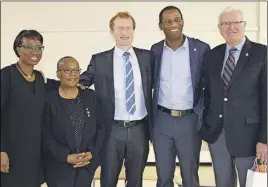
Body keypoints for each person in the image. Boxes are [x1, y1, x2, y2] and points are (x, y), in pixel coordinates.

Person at [79, 11, 152, 187]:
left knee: (136, 181)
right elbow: (79, 83)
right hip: (111, 130)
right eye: (120, 28)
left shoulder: (148, 57)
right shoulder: (99, 60)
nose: (124, 32)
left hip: (139, 129)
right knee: (108, 179)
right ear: (112, 31)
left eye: (128, 28)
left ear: (134, 30)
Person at [199, 7, 267, 187]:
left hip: (249, 136)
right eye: (226, 23)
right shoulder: (212, 55)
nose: (232, 27)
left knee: (250, 183)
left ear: (244, 25)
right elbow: (207, 93)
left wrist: (264, 139)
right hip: (218, 136)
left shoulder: (262, 53)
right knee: (222, 182)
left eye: (236, 22)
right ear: (220, 28)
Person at [150, 6, 210, 187]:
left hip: (189, 121)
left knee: (190, 176)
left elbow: (210, 82)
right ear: (160, 26)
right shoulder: (155, 51)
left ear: (182, 22)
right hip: (162, 121)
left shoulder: (200, 49)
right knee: (163, 175)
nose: (173, 24)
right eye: (168, 21)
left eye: (177, 19)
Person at [42, 56, 107, 187]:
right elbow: (44, 133)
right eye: (67, 70)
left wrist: (91, 153)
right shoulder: (49, 100)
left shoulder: (90, 96)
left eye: (76, 70)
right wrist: (65, 156)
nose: (73, 74)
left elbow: (101, 127)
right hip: (59, 166)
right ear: (58, 74)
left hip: (86, 165)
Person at [1, 30, 46, 187]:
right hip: (11, 153)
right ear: (18, 49)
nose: (35, 52)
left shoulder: (40, 78)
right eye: (29, 47)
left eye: (39, 47)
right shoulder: (6, 76)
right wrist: (1, 151)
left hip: (35, 154)